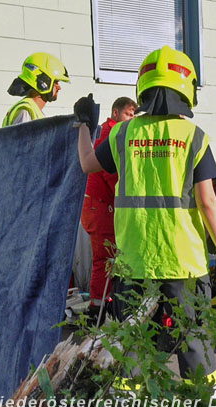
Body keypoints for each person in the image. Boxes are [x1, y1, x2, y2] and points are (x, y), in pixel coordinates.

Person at [74, 46, 216, 392]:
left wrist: (84, 124)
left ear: (143, 89)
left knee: (132, 345)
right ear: (185, 89)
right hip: (184, 262)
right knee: (193, 343)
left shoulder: (123, 133)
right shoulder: (194, 136)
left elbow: (87, 164)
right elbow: (207, 200)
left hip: (134, 261)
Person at [82, 97, 137, 316]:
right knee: (105, 258)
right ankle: (98, 307)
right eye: (128, 114)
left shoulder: (112, 131)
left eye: (134, 115)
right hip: (102, 206)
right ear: (115, 113)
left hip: (102, 205)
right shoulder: (110, 133)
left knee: (109, 257)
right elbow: (110, 172)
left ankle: (104, 302)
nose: (131, 119)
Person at [2, 52, 69, 126]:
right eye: (56, 82)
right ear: (43, 81)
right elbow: (21, 137)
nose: (59, 87)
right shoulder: (26, 111)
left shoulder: (33, 111)